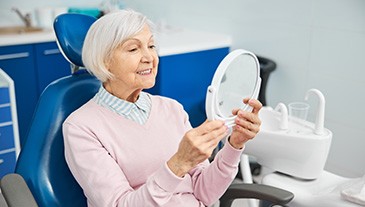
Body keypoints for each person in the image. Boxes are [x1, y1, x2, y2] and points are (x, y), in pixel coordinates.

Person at [63, 9, 262, 207]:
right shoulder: (81, 127)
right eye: (133, 49)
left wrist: (234, 145)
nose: (149, 57)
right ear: (105, 60)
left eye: (151, 45)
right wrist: (178, 164)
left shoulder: (171, 109)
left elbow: (203, 193)